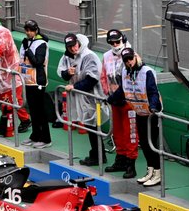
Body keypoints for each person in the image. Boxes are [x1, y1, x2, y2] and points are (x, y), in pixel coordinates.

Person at [107, 48, 163, 185]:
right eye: (126, 60)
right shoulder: (126, 71)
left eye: (130, 59)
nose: (129, 62)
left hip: (151, 113)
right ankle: (150, 171)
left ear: (136, 57)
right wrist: (110, 99)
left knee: (152, 144)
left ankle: (158, 173)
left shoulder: (147, 72)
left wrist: (154, 106)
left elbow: (153, 91)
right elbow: (122, 89)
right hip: (139, 112)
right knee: (143, 143)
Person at [59, 32, 106, 168]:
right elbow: (62, 73)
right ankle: (96, 153)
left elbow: (92, 79)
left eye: (75, 45)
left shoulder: (89, 56)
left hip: (93, 97)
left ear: (78, 42)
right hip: (82, 97)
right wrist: (68, 73)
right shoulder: (68, 57)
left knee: (94, 126)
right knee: (90, 126)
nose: (73, 49)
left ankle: (99, 155)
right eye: (70, 47)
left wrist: (74, 86)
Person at [100, 29, 138, 176]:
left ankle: (131, 164)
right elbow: (103, 76)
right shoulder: (106, 56)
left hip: (130, 102)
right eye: (112, 42)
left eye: (118, 41)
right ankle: (120, 159)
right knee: (117, 132)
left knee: (131, 133)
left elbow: (133, 78)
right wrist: (107, 93)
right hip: (114, 101)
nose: (115, 44)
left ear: (123, 39)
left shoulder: (131, 55)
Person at [18, 19, 52, 147]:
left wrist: (28, 50)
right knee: (32, 109)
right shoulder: (26, 42)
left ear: (36, 30)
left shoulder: (41, 44)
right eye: (27, 30)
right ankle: (35, 135)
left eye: (31, 30)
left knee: (40, 110)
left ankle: (46, 138)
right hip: (27, 80)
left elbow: (38, 62)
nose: (28, 33)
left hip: (38, 81)